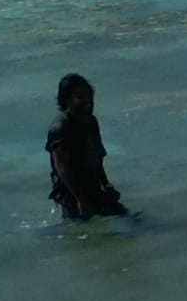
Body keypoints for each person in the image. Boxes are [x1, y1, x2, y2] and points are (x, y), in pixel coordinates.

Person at [46, 74, 128, 222]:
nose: (88, 101)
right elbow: (62, 167)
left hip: (94, 185)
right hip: (71, 192)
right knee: (83, 231)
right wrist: (81, 200)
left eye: (89, 96)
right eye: (80, 97)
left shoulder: (91, 122)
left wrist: (106, 185)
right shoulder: (60, 127)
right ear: (67, 99)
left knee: (127, 218)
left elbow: (97, 157)